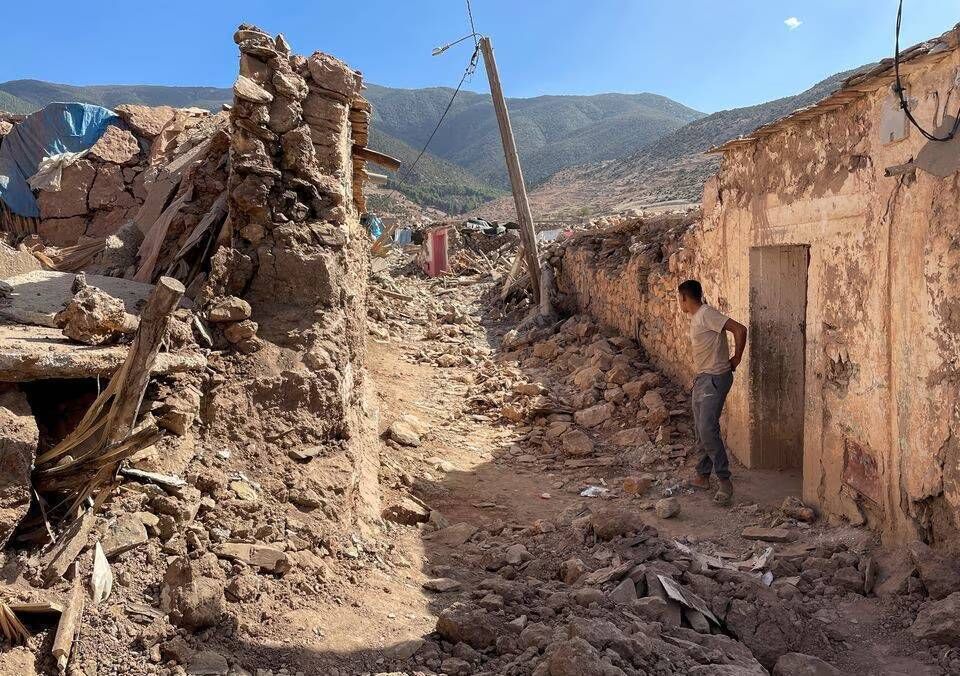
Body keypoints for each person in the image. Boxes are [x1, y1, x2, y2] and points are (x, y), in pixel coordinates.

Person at [677, 279, 747, 506]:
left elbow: (739, 329)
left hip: (715, 379)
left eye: (680, 299)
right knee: (700, 428)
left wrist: (736, 358)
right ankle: (702, 475)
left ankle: (725, 481)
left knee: (708, 428)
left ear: (685, 298)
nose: (680, 303)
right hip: (703, 378)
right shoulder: (697, 317)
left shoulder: (707, 314)